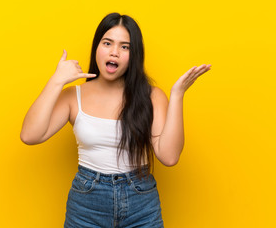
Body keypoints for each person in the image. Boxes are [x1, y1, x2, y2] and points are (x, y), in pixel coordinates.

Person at [20, 12, 211, 228]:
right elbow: (29, 135)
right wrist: (56, 81)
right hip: (86, 203)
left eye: (124, 47)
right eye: (107, 43)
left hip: (141, 202)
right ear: (97, 48)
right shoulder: (74, 96)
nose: (114, 52)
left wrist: (177, 95)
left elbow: (169, 157)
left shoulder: (152, 96)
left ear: (134, 54)